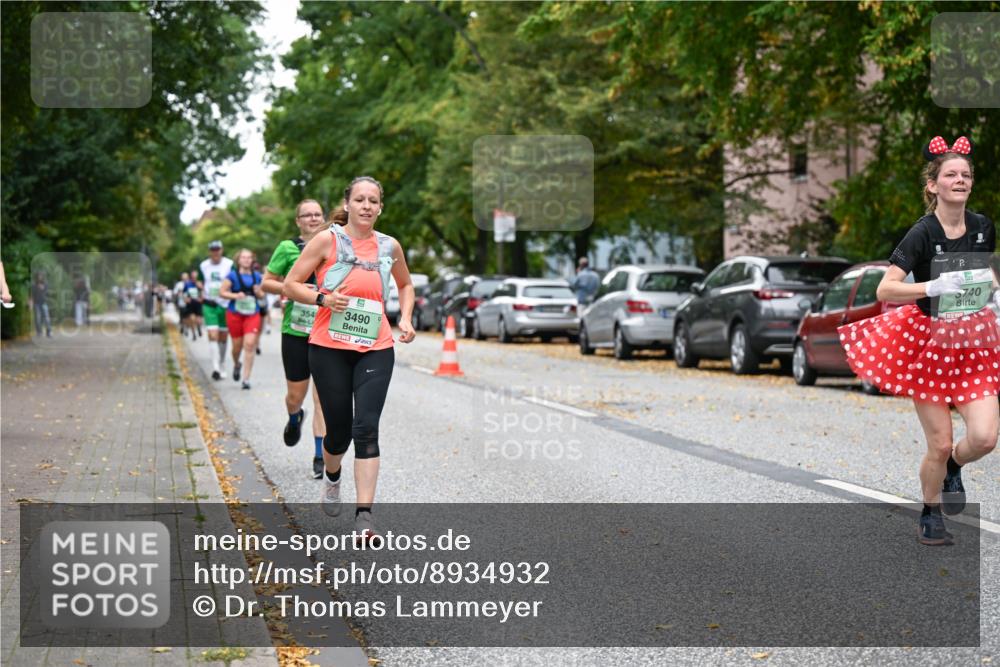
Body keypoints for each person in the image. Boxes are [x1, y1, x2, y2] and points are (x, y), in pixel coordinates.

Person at [837, 135, 998, 546]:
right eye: (950, 175)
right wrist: (930, 286)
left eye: (965, 175)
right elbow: (885, 291)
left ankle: (955, 468)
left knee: (983, 438)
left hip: (974, 341)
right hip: (929, 343)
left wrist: (995, 293)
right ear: (934, 185)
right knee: (940, 443)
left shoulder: (982, 227)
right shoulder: (922, 233)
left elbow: (982, 277)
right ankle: (930, 511)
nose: (959, 180)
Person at [284, 176, 416, 543]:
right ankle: (332, 476)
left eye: (373, 201)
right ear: (349, 203)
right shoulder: (327, 240)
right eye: (360, 199)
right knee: (338, 433)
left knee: (366, 428)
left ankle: (364, 516)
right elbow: (290, 285)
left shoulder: (389, 246)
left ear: (380, 207)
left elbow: (405, 284)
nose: (367, 206)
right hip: (328, 347)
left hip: (376, 346)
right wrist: (324, 300)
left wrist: (404, 317)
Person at [262, 199, 330, 478]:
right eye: (307, 215)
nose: (313, 219)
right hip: (296, 330)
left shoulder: (333, 244)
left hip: (326, 329)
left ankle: (319, 456)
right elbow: (266, 282)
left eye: (317, 214)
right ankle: (294, 417)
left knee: (323, 398)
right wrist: (295, 289)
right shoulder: (287, 248)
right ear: (298, 221)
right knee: (295, 396)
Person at [219, 248, 264, 390]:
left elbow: (262, 295)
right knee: (236, 347)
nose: (246, 260)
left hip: (252, 313)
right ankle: (237, 363)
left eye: (249, 257)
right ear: (238, 260)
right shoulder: (232, 276)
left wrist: (258, 292)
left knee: (250, 344)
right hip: (235, 314)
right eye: (243, 257)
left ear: (252, 260)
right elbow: (222, 292)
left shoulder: (257, 276)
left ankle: (246, 379)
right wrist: (235, 296)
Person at [200, 241, 234, 380]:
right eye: (212, 250)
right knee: (212, 335)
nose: (215, 253)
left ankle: (222, 363)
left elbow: (234, 280)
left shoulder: (229, 264)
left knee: (223, 337)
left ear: (221, 250)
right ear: (209, 252)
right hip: (209, 304)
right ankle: (215, 368)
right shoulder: (203, 265)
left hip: (225, 304)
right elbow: (200, 281)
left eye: (217, 250)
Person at [31, 273, 52, 337]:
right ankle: (39, 332)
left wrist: (43, 288)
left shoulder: (45, 284)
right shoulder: (34, 285)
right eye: (38, 276)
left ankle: (49, 332)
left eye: (41, 276)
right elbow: (32, 295)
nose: (39, 277)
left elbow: (47, 293)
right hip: (36, 303)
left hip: (44, 303)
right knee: (37, 318)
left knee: (46, 318)